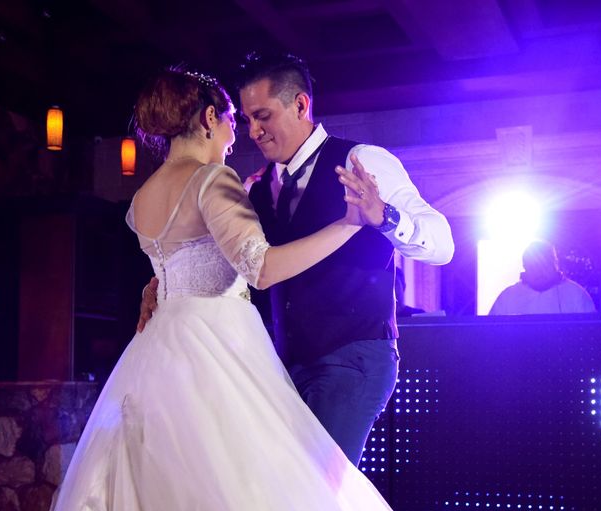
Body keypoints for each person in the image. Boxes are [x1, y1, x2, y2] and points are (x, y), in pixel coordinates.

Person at [36, 69, 417, 511]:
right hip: (219, 344)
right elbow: (261, 268)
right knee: (258, 490)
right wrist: (349, 224)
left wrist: (157, 284)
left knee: (177, 480)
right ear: (211, 117)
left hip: (161, 346)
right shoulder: (213, 179)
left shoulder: (142, 197)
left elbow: (177, 261)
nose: (240, 134)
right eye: (236, 119)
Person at [142, 53, 454, 466]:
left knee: (319, 495)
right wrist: (158, 286)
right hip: (281, 366)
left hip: (352, 357)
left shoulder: (364, 161)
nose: (253, 131)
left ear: (301, 106)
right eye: (248, 119)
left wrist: (386, 218)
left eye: (263, 116)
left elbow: (443, 244)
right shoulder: (256, 188)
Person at [489, 240, 596, 315]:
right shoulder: (507, 298)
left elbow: (590, 333)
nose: (539, 271)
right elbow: (491, 334)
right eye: (533, 265)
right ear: (525, 266)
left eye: (544, 265)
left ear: (555, 265)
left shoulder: (576, 295)